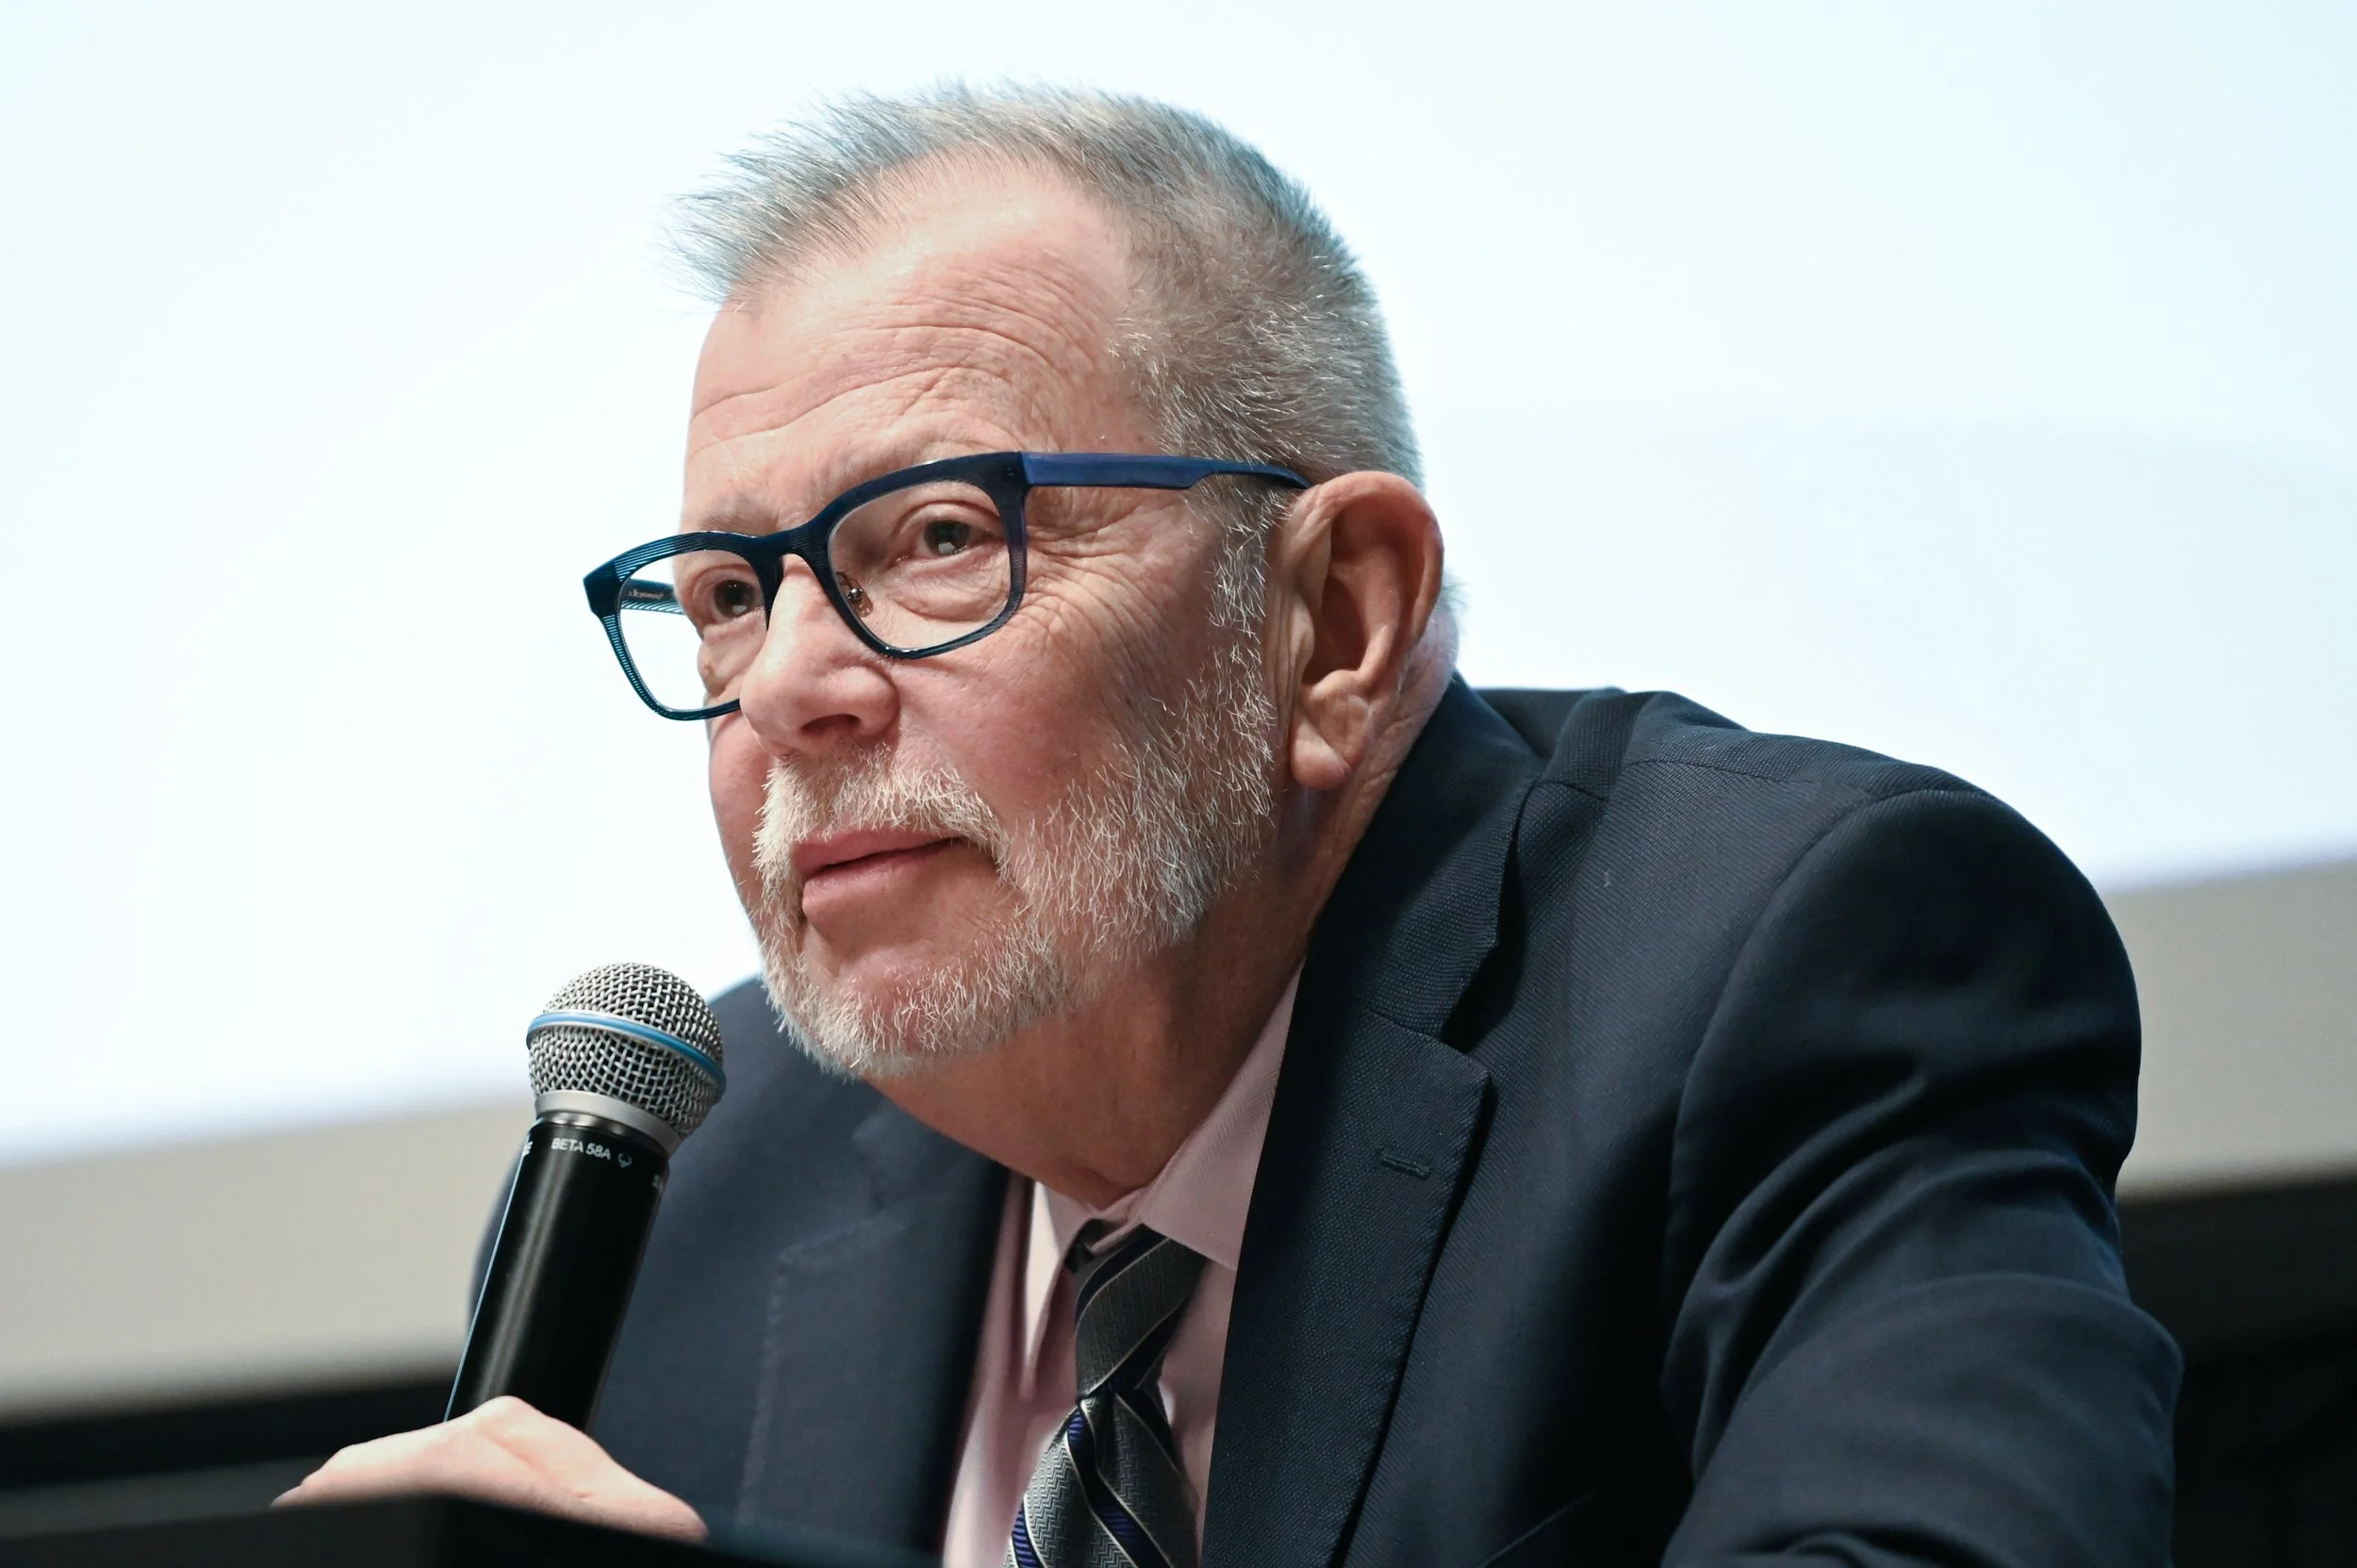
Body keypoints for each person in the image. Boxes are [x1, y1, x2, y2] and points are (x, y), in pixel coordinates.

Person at [281, 88, 2179, 1566]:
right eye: (720, 593)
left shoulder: (1781, 970)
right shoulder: (710, 1198)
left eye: (938, 540)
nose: (785, 685)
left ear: (1331, 619)